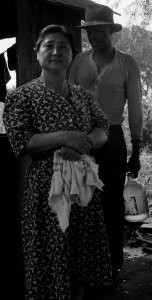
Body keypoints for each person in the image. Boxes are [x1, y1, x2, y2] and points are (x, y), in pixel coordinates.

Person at [3, 24, 113, 300]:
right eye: (49, 46)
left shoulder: (84, 96)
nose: (56, 51)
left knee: (79, 258)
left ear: (72, 55)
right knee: (47, 258)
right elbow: (22, 141)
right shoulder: (22, 96)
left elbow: (103, 129)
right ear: (37, 53)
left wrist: (85, 142)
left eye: (63, 47)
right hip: (46, 194)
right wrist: (65, 136)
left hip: (83, 192)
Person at [68, 3, 143, 280]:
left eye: (99, 30)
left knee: (111, 204)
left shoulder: (127, 63)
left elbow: (135, 108)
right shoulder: (78, 62)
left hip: (112, 140)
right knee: (82, 202)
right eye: (89, 31)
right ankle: (87, 265)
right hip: (83, 140)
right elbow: (68, 99)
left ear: (111, 30)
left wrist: (136, 149)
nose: (93, 36)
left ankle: (112, 265)